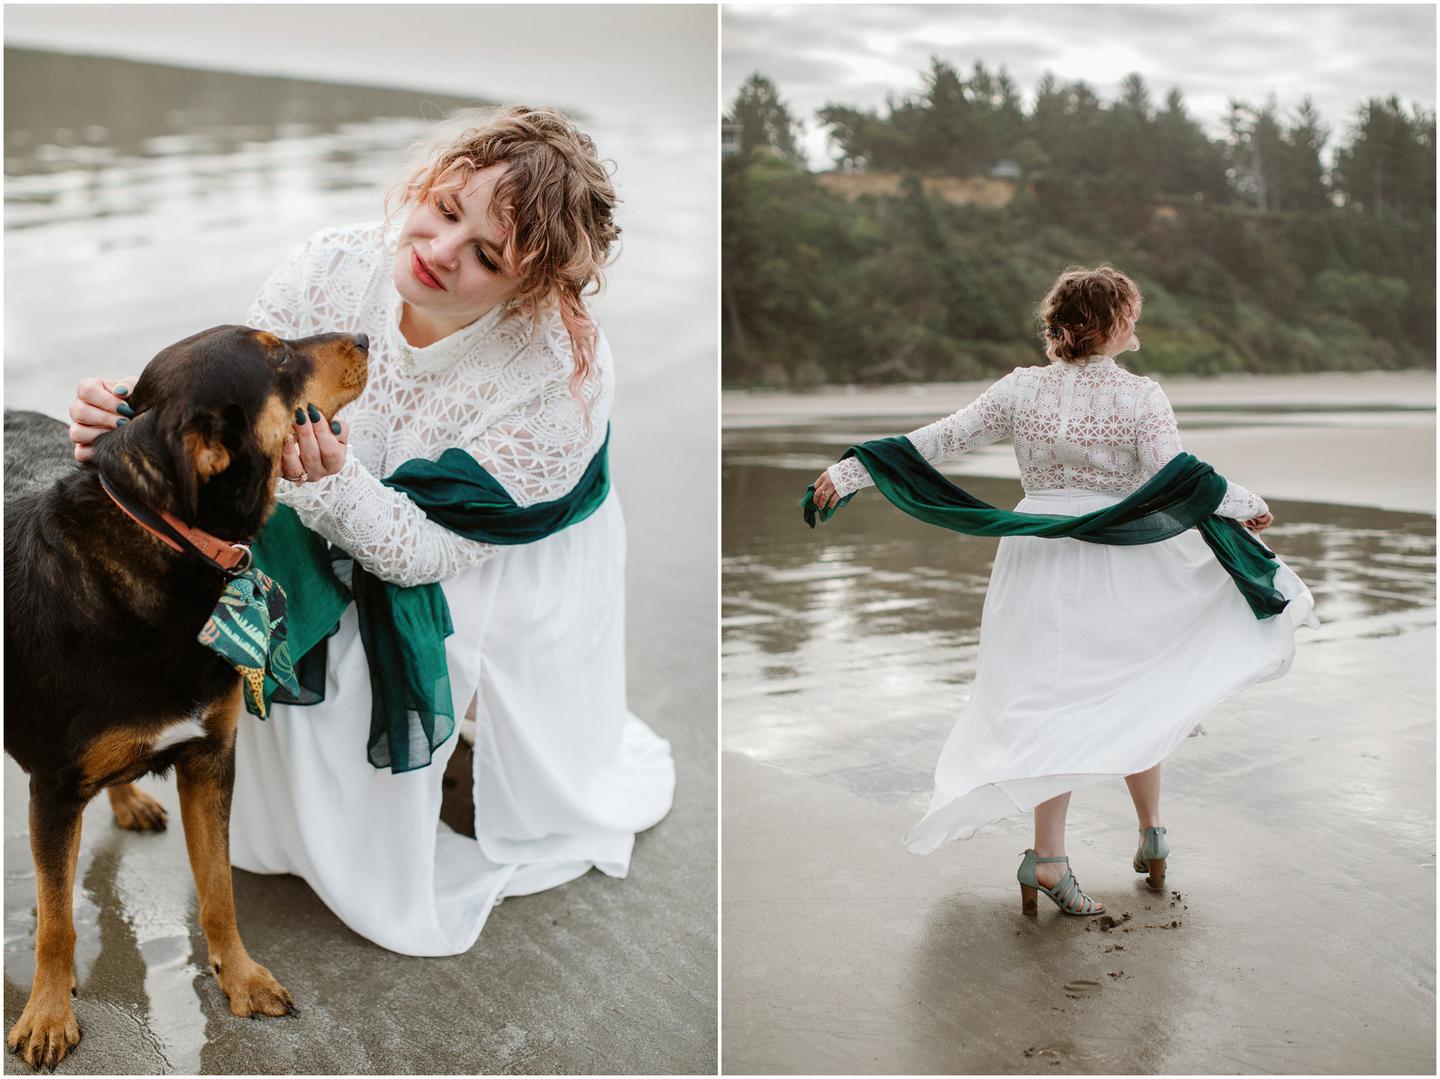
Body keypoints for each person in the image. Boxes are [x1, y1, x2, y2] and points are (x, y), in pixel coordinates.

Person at [67, 105, 675, 956]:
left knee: (399, 665)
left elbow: (429, 552)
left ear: (529, 288)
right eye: (448, 209)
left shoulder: (554, 382)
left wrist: (339, 487)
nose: (441, 250)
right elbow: (239, 403)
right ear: (428, 184)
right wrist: (126, 420)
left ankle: (463, 758)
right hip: (331, 495)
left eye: (486, 257)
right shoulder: (332, 264)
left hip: (490, 548)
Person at [810, 264, 1317, 916]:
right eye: (1129, 313)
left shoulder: (1022, 390)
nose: (1136, 324)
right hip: (1116, 557)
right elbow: (1175, 476)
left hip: (1035, 553)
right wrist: (1245, 502)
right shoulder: (1141, 397)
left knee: (1054, 699)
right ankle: (1145, 834)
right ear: (1114, 324)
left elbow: (940, 438)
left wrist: (849, 472)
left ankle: (1051, 853)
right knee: (1140, 686)